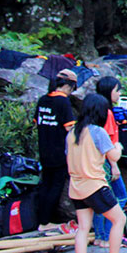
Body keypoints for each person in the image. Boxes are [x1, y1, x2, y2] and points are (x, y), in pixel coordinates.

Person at [66, 93, 127, 253]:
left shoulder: (72, 132)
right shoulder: (98, 131)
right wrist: (118, 146)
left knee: (83, 228)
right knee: (119, 219)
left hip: (76, 188)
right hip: (94, 186)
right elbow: (114, 156)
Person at [35, 69, 77, 231]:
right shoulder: (63, 102)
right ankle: (45, 223)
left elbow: (37, 122)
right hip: (59, 152)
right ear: (68, 86)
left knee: (45, 184)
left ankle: (41, 220)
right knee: (55, 187)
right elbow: (69, 129)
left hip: (44, 150)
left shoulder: (43, 100)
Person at [92, 76, 127, 247]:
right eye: (117, 90)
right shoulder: (106, 113)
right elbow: (105, 142)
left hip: (99, 161)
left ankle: (100, 236)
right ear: (109, 91)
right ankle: (107, 236)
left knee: (99, 200)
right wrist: (114, 165)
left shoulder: (99, 111)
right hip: (108, 161)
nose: (119, 93)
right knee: (119, 196)